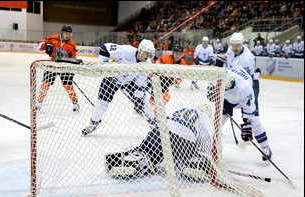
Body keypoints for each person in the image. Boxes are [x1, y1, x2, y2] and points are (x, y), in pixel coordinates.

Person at [105, 105, 213, 178]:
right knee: (184, 155)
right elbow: (208, 142)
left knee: (147, 154)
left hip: (162, 129)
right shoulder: (204, 117)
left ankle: (130, 161)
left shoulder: (183, 111)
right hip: (185, 139)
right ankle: (191, 163)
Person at [214, 32, 272, 160]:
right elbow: (228, 63)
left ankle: (266, 148)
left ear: (243, 43)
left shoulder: (247, 58)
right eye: (233, 45)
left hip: (247, 86)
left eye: (238, 45)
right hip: (229, 83)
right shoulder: (230, 50)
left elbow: (245, 82)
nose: (235, 48)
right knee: (219, 118)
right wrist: (221, 59)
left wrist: (247, 121)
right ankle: (209, 145)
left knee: (254, 121)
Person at [81, 39, 156, 136]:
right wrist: (103, 64)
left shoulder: (147, 63)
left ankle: (154, 126)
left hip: (130, 81)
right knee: (102, 103)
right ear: (140, 50)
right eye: (147, 53)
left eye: (150, 54)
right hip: (112, 77)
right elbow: (105, 48)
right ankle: (93, 124)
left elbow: (141, 81)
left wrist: (138, 97)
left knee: (144, 102)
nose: (148, 57)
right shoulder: (126, 51)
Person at [207, 66, 272, 161]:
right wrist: (213, 95)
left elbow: (248, 109)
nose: (223, 88)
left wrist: (247, 123)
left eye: (225, 87)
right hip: (227, 98)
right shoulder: (218, 77)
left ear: (231, 82)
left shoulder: (244, 88)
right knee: (217, 122)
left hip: (244, 96)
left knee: (255, 123)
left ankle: (265, 148)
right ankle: (210, 148)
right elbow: (210, 94)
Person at [37, 25, 80, 112]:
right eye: (66, 33)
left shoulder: (72, 44)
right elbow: (39, 46)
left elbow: (74, 58)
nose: (67, 35)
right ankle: (39, 102)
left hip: (64, 67)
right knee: (45, 84)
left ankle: (75, 103)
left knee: (68, 86)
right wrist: (46, 46)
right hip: (52, 65)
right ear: (62, 33)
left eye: (69, 34)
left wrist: (71, 66)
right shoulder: (52, 38)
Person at [150, 44, 187, 112]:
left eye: (179, 54)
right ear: (173, 53)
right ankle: (145, 108)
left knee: (166, 96)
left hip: (165, 81)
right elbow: (154, 67)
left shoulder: (183, 63)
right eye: (176, 54)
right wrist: (151, 78)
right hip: (156, 79)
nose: (178, 56)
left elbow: (181, 76)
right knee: (155, 97)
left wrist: (175, 81)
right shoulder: (165, 59)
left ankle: (155, 111)